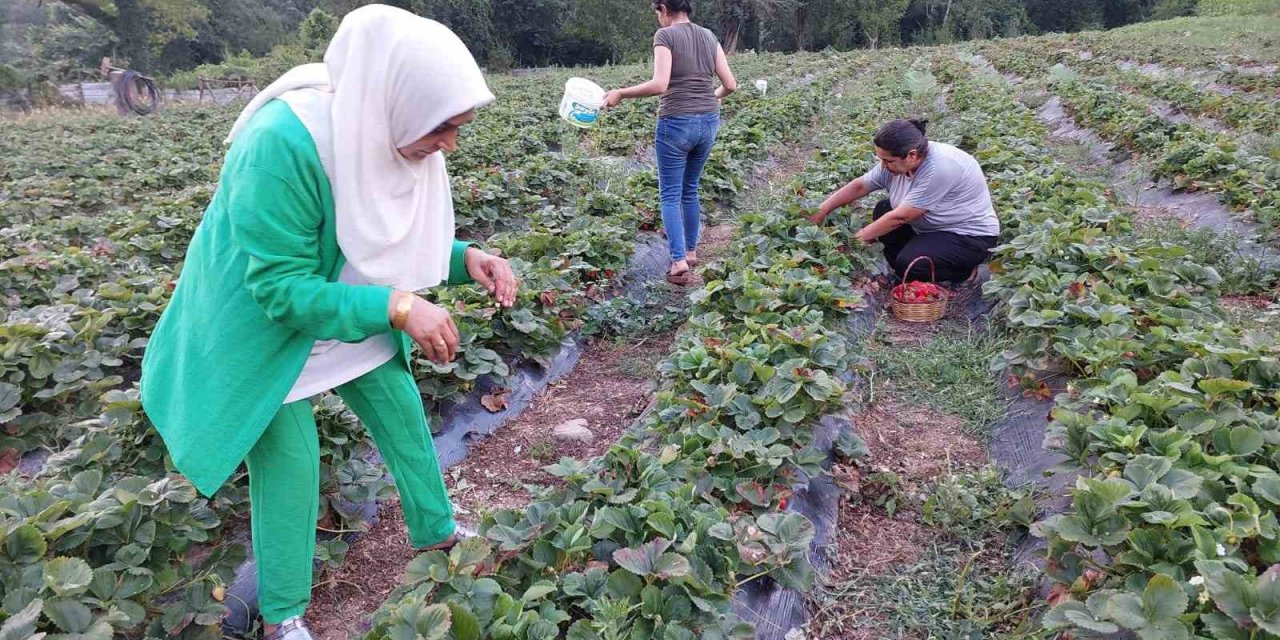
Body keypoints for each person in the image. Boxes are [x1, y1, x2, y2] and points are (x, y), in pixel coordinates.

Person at [139, 6, 517, 640]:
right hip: (265, 326)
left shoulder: (387, 127)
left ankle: (438, 530)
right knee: (291, 460)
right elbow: (281, 290)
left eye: (458, 127)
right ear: (396, 102)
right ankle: (283, 616)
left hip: (347, 299)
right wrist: (397, 307)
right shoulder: (282, 143)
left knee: (399, 407)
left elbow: (379, 233)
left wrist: (465, 258)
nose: (450, 143)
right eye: (445, 127)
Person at [602, 0, 737, 286]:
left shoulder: (665, 36)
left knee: (670, 194)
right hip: (708, 122)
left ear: (664, 8)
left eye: (656, 12)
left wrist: (620, 93)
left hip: (676, 122)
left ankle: (677, 262)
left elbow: (660, 84)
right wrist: (708, 98)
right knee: (690, 189)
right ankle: (690, 252)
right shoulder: (709, 35)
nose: (657, 18)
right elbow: (731, 84)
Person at [809, 118, 1000, 284]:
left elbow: (900, 218)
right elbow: (860, 186)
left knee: (910, 263)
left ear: (912, 155)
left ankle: (962, 273)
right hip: (931, 228)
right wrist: (823, 209)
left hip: (967, 237)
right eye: (881, 159)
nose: (883, 166)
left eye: (888, 161)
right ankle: (904, 270)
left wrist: (854, 242)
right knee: (883, 208)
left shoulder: (941, 167)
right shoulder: (897, 161)